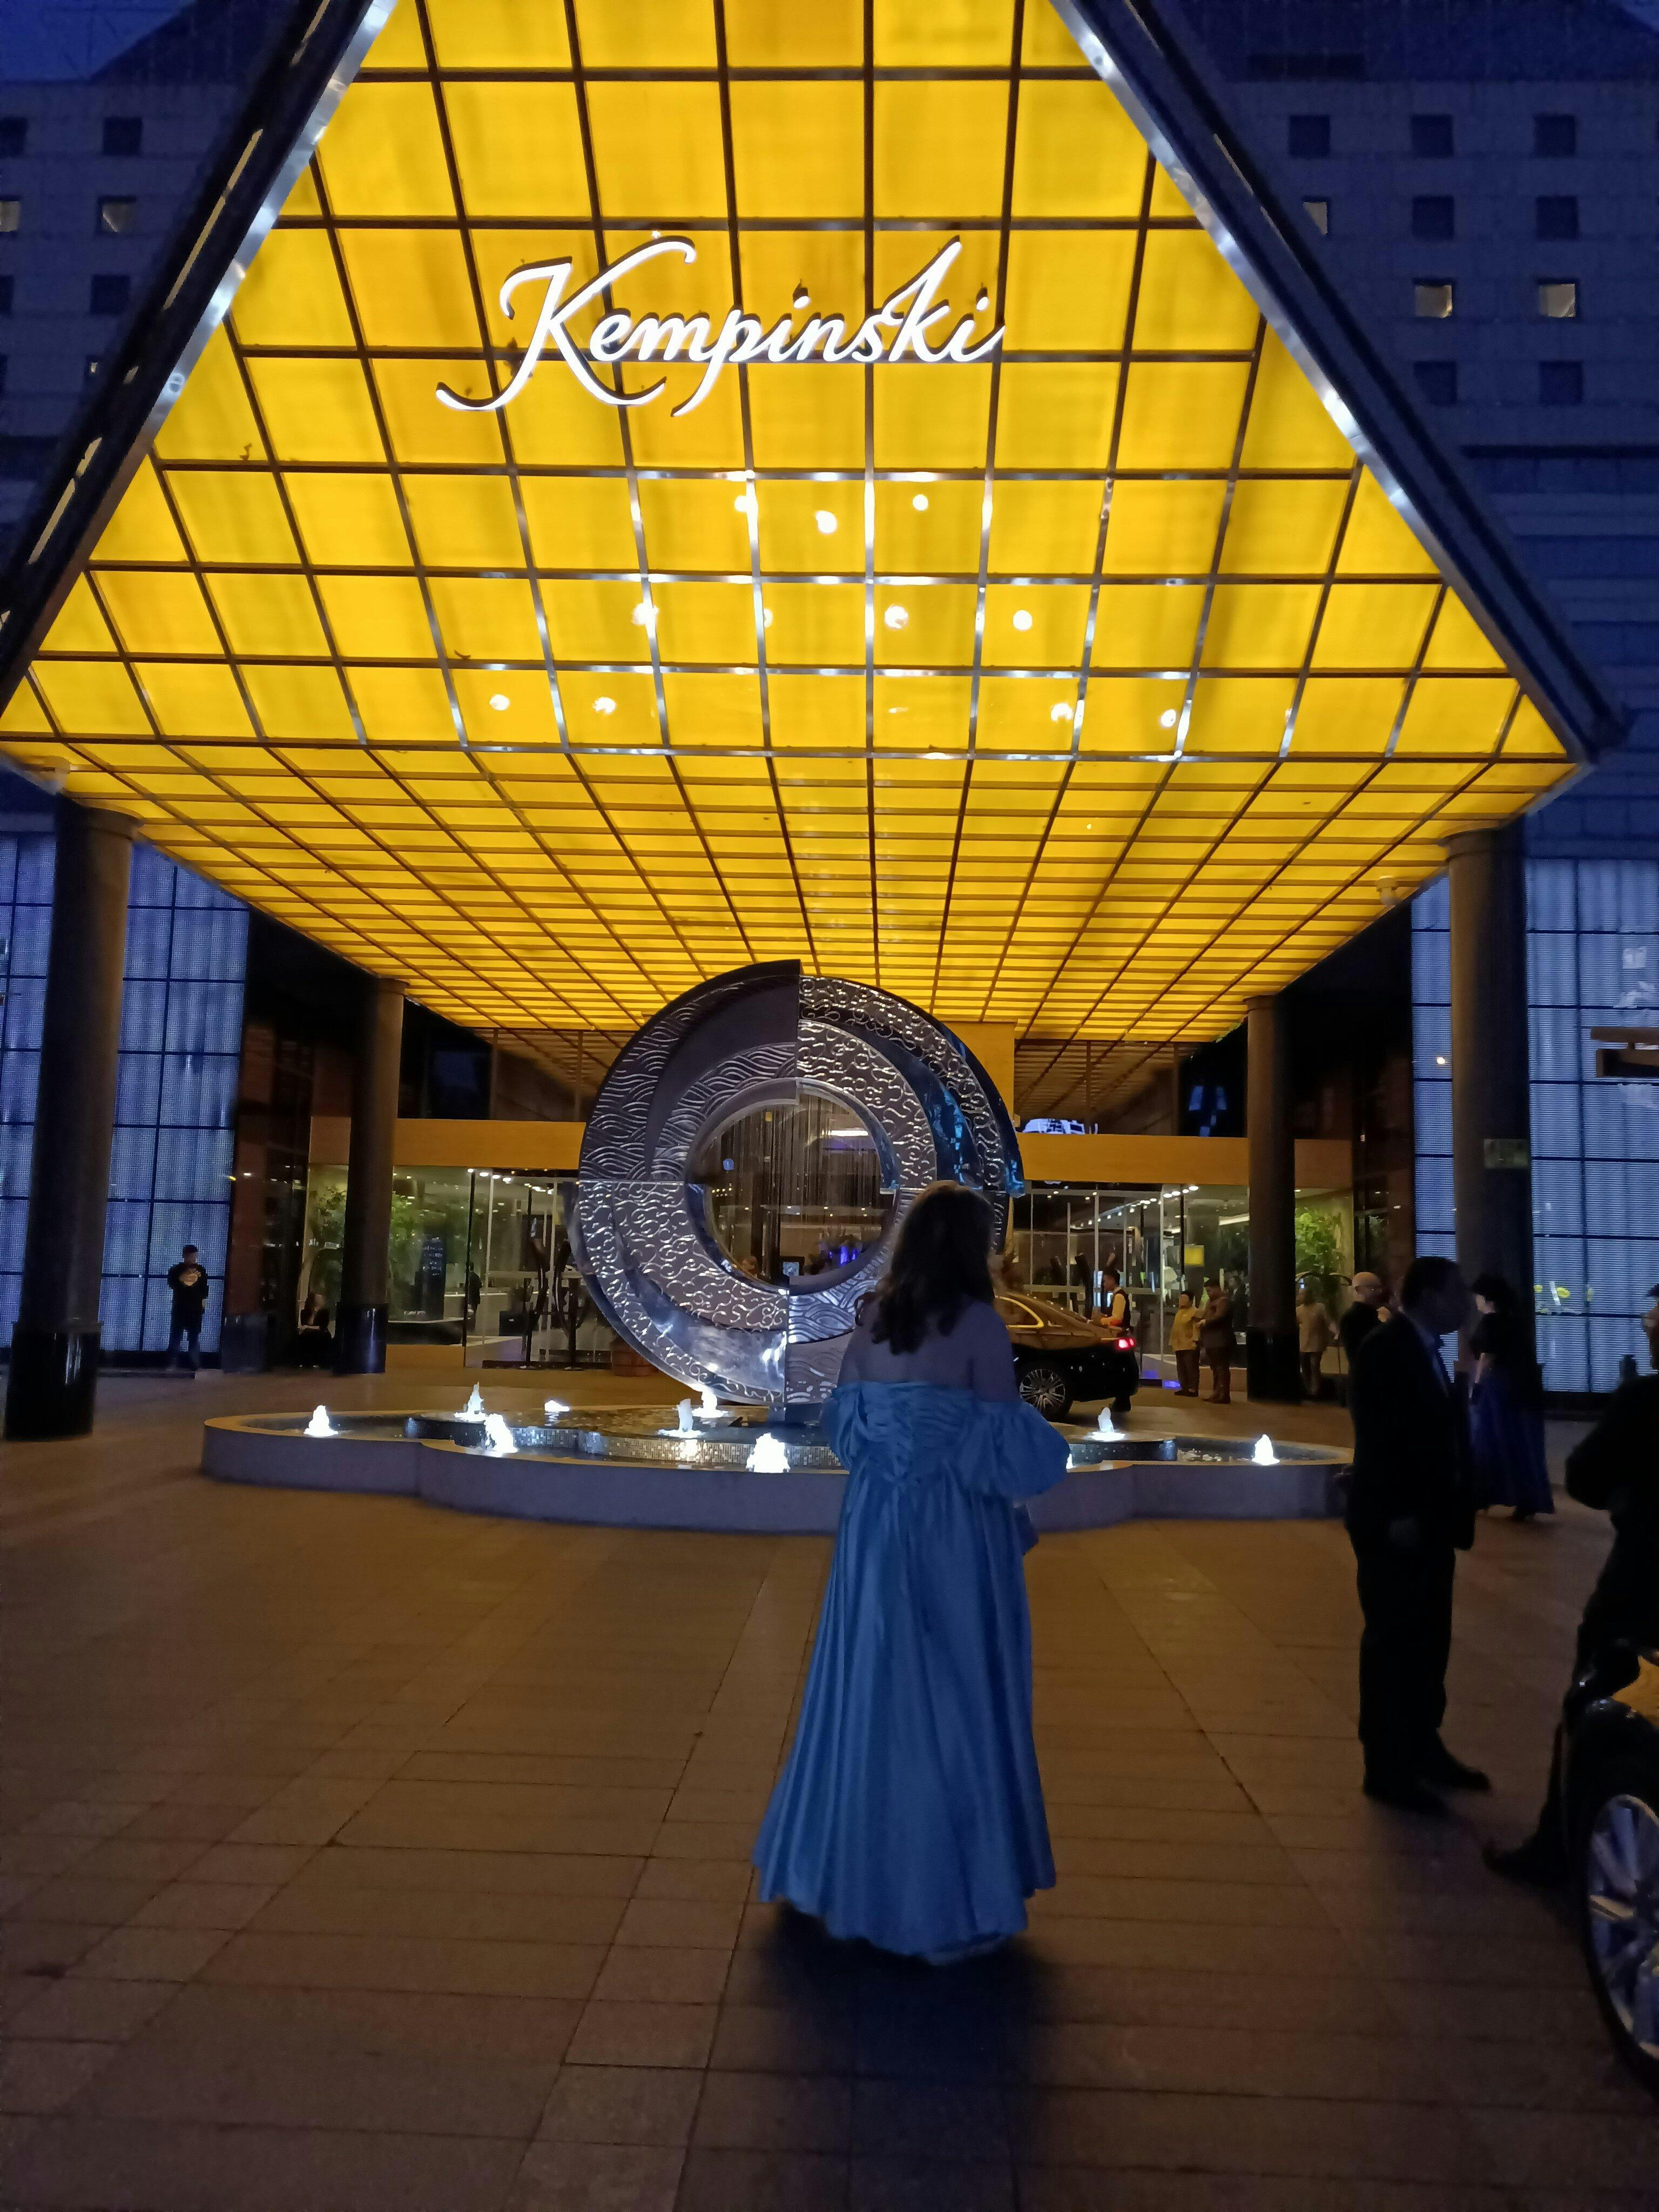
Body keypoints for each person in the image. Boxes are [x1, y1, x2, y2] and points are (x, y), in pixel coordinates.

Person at [754, 1182, 1069, 1964]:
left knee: (869, 1682)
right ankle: (943, 1889)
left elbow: (845, 1427)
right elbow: (1002, 1449)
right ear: (968, 1247)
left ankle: (849, 1867)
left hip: (875, 1526)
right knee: (953, 1683)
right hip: (952, 1528)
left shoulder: (873, 1322)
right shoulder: (979, 1327)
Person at [1486, 1286, 1659, 1883]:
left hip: (1642, 1583)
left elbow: (1585, 1476)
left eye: (1654, 1317)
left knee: (1598, 1696)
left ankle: (1563, 1842)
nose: (1646, 1327)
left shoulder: (1644, 1400)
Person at [1346, 1255, 1486, 1813]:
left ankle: (1424, 1745)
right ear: (1429, 1296)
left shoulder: (1428, 1349)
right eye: (1458, 1292)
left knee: (1430, 1638)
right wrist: (1397, 1513)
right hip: (1396, 1523)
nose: (1466, 1303)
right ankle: (1386, 1764)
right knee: (1394, 1639)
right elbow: (1380, 1437)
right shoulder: (1386, 1349)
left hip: (1430, 1521)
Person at [1468, 1272, 1553, 1521]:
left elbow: (1487, 1358)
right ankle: (1526, 1498)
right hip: (1523, 1388)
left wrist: (1476, 1388)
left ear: (1487, 1298)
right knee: (1520, 1442)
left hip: (1500, 1389)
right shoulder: (1515, 1321)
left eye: (1477, 1297)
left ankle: (1483, 1496)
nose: (1475, 1301)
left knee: (1489, 1439)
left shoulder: (1491, 1322)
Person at [166, 1245, 210, 1372]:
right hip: (180, 1308)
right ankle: (172, 1363)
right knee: (176, 1338)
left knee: (193, 1338)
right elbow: (173, 1284)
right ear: (185, 1256)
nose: (194, 1258)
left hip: (195, 1310)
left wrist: (202, 1307)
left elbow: (204, 1291)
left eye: (195, 1255)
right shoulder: (177, 1270)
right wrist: (187, 1278)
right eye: (192, 1255)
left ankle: (194, 1365)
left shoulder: (201, 1270)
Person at [1339, 1272, 1390, 1368]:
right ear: (1359, 1290)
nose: (1379, 1292)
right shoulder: (1353, 1318)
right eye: (1373, 1288)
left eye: (1380, 1288)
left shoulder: (1371, 1314)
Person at [1198, 1277, 1234, 1403]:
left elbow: (1220, 1317)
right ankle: (1217, 1392)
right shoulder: (1212, 1301)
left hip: (1220, 1340)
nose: (1208, 1294)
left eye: (1209, 1291)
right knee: (1216, 1368)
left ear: (1217, 1289)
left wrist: (1206, 1322)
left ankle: (1223, 1395)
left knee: (1221, 1368)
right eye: (1207, 1291)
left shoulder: (1223, 1301)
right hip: (1212, 1340)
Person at [1297, 1284, 1333, 1400]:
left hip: (1317, 1343)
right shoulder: (1299, 1310)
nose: (1301, 1296)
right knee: (1305, 1367)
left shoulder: (1320, 1308)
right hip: (1303, 1344)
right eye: (1300, 1294)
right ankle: (1308, 1390)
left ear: (1310, 1295)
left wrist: (1336, 1332)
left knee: (1314, 1366)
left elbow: (1329, 1322)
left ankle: (1315, 1392)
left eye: (1303, 1294)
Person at [1170, 1290, 1202, 1397]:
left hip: (1189, 1344)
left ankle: (1193, 1389)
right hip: (1178, 1344)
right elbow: (1175, 1329)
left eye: (1185, 1298)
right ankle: (1184, 1388)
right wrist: (1172, 1342)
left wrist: (1195, 1341)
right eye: (1181, 1298)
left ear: (1191, 1300)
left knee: (1191, 1367)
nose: (1182, 1300)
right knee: (1181, 1368)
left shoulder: (1195, 1312)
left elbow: (1196, 1328)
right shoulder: (1179, 1312)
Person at [295, 1290, 332, 1370]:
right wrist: (313, 1313)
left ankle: (319, 1362)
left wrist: (309, 1327)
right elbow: (305, 1323)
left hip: (321, 1333)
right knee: (302, 1338)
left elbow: (322, 1326)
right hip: (310, 1333)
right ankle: (305, 1362)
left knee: (321, 1338)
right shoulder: (305, 1312)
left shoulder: (324, 1312)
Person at [1099, 1265, 1130, 1335]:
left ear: (1112, 1280)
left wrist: (1100, 1321)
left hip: (1119, 1333)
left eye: (1105, 1281)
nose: (1104, 1284)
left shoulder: (1119, 1296)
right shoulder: (1118, 1295)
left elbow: (1117, 1319)